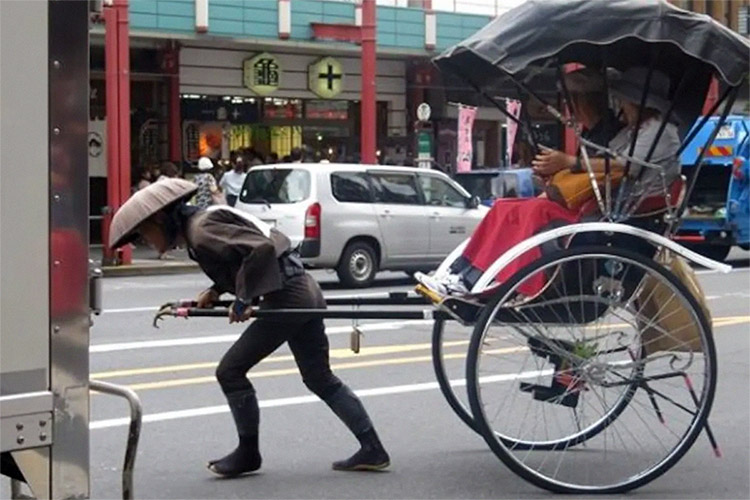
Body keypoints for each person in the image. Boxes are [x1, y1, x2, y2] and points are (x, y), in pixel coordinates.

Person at [108, 179, 390, 477]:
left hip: (289, 296)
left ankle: (248, 453)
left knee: (229, 371)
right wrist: (217, 291)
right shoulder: (201, 226)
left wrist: (243, 299)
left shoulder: (202, 230)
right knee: (319, 377)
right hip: (303, 289)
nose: (146, 242)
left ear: (160, 219)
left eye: (145, 234)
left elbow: (261, 249)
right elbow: (240, 257)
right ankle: (372, 448)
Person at [417, 66, 678, 298]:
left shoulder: (660, 132)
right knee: (505, 207)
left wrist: (569, 163)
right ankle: (464, 272)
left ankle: (507, 282)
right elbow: (603, 163)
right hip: (601, 202)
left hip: (619, 211)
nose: (621, 104)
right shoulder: (631, 132)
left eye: (625, 99)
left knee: (535, 211)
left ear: (639, 101)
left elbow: (625, 166)